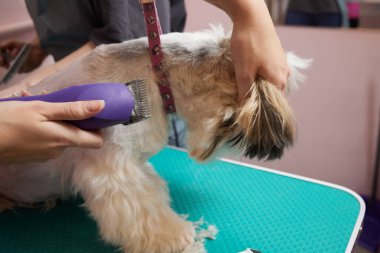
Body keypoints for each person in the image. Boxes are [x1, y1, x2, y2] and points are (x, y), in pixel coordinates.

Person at [0, 0, 289, 164]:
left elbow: (122, 40)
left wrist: (250, 13)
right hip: (75, 106)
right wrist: (41, 46)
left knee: (119, 170)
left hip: (130, 96)